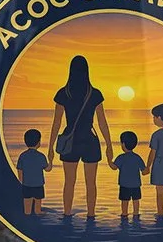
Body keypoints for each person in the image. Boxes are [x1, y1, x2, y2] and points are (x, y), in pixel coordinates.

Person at [45, 54, 114, 219]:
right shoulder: (94, 94)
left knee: (69, 182)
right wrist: (109, 145)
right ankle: (91, 215)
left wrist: (51, 147)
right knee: (91, 183)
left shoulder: (63, 93)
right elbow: (102, 122)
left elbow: (56, 123)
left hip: (70, 142)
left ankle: (67, 214)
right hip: (90, 140)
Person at [111, 131, 146, 221]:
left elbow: (114, 167)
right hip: (136, 185)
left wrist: (108, 159)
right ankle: (136, 214)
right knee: (136, 201)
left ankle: (124, 214)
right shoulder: (137, 157)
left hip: (124, 185)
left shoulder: (121, 157)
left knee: (124, 201)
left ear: (123, 144)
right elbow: (144, 170)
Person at [16, 127, 49, 217]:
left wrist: (22, 181)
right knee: (38, 202)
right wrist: (50, 161)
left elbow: (19, 170)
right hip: (38, 185)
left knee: (27, 202)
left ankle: (27, 213)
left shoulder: (22, 156)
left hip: (27, 184)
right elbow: (47, 169)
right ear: (39, 142)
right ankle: (38, 211)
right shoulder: (41, 156)